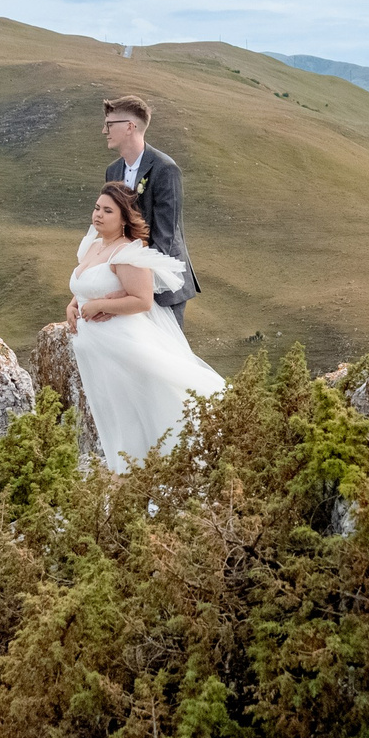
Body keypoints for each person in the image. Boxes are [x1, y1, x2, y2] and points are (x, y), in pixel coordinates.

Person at [66, 182, 225, 468]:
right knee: (109, 410)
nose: (98, 215)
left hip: (122, 345)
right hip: (95, 351)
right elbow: (88, 284)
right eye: (97, 208)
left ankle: (141, 469)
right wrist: (73, 304)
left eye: (108, 211)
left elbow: (142, 300)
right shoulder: (91, 245)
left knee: (133, 408)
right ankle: (123, 467)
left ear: (124, 218)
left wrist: (101, 305)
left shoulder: (128, 253)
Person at [101, 95, 198, 330]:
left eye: (110, 125)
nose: (104, 131)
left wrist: (136, 285)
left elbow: (165, 236)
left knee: (166, 351)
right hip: (128, 279)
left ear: (129, 127)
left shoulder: (165, 169)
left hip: (164, 283)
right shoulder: (112, 170)